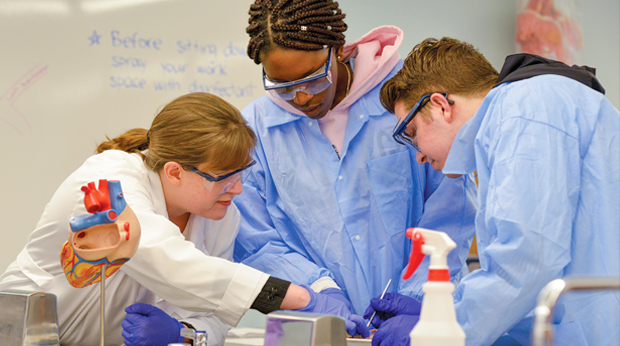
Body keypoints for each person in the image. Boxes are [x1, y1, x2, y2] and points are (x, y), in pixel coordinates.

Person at [0, 92, 369, 346]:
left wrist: (184, 331)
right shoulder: (108, 177)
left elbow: (214, 312)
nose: (238, 190)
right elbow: (163, 257)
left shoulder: (220, 218)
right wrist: (300, 297)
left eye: (243, 173)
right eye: (224, 177)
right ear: (175, 172)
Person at [364, 37, 620, 346]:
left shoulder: (525, 108)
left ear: (441, 105)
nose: (418, 154)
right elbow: (521, 271)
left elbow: (529, 258)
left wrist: (445, 329)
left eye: (413, 132)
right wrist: (440, 310)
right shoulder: (513, 119)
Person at [233, 0, 478, 318]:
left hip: (422, 316)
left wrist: (417, 297)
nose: (302, 97)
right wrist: (317, 290)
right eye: (283, 86)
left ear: (338, 50)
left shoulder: (402, 97)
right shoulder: (257, 131)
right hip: (315, 321)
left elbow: (450, 212)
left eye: (313, 78)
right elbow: (254, 239)